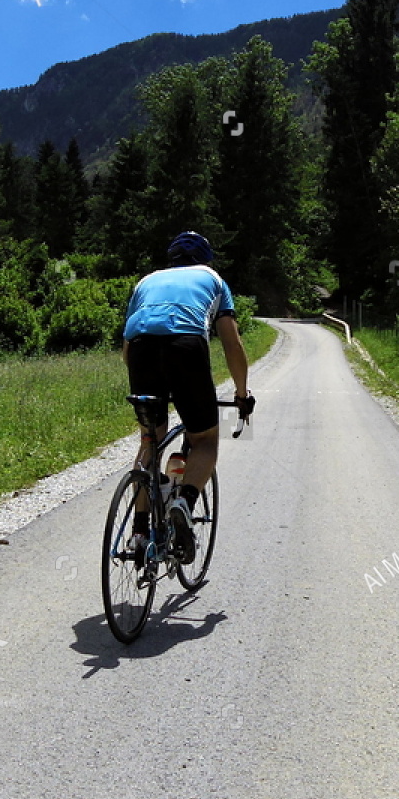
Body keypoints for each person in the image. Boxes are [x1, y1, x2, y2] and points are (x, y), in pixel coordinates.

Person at [121, 231, 255, 561]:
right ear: (206, 259)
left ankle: (139, 534)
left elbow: (126, 350)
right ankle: (184, 502)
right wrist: (241, 394)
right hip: (185, 348)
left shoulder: (146, 281)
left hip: (140, 352)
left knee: (150, 440)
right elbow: (231, 344)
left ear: (172, 259)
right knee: (206, 439)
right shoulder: (213, 279)